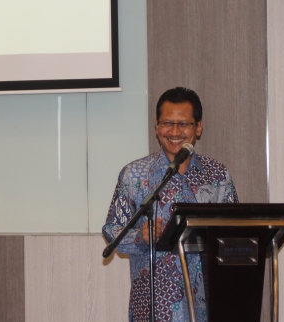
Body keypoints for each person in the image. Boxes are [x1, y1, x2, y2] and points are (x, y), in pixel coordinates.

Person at [102, 87, 239, 322]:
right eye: (167, 123)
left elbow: (236, 231)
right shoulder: (134, 175)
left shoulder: (217, 175)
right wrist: (141, 237)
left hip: (207, 304)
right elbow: (112, 230)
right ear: (156, 126)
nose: (174, 131)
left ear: (198, 127)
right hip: (155, 307)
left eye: (183, 124)